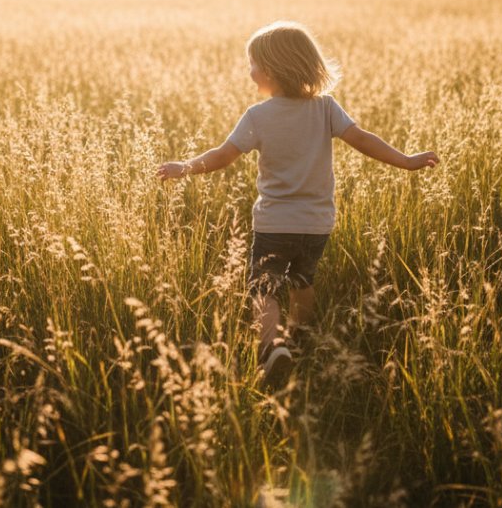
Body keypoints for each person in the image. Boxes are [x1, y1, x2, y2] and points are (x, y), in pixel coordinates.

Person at [157, 21, 438, 390]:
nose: (249, 70)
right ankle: (299, 337)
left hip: (274, 222)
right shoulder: (325, 109)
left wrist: (184, 168)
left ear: (270, 71)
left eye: (252, 63)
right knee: (303, 281)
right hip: (317, 223)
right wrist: (406, 160)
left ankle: (271, 347)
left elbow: (223, 156)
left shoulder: (257, 116)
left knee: (264, 288)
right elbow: (363, 139)